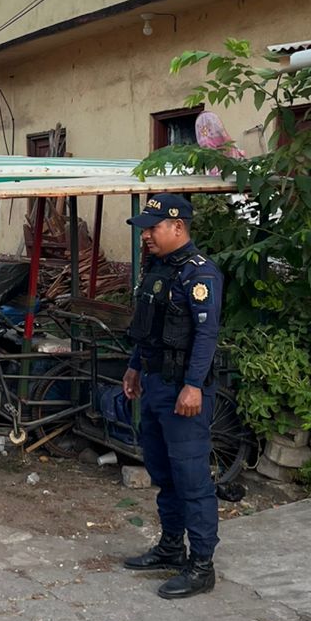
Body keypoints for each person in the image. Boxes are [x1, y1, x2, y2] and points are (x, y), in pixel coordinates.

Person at [121, 193, 224, 600]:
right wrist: (134, 365)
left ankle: (201, 566)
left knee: (192, 478)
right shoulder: (158, 268)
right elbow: (148, 326)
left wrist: (194, 384)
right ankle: (170, 547)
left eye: (153, 228)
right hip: (156, 384)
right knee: (163, 472)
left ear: (178, 226)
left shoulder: (200, 274)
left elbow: (207, 334)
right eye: (144, 229)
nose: (145, 235)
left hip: (184, 392)